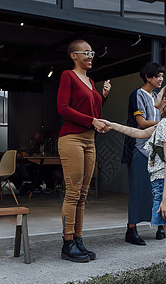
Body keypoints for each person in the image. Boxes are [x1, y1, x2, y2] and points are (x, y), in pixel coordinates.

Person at [105, 82, 166, 284]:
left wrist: (165, 199)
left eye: (161, 91)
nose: (157, 93)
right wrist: (111, 124)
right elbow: (139, 132)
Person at [57, 39, 111, 263]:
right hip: (72, 138)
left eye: (92, 52)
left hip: (90, 140)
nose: (90, 56)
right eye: (86, 52)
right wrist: (92, 121)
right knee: (73, 192)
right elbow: (63, 108)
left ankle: (78, 239)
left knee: (83, 194)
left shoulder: (90, 81)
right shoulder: (67, 76)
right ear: (74, 56)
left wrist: (104, 96)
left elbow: (95, 113)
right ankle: (67, 243)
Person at [122, 62, 166, 245]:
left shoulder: (156, 96)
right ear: (148, 77)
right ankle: (131, 230)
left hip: (155, 150)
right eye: (158, 76)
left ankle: (159, 225)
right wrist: (163, 124)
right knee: (138, 189)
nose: (161, 79)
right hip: (138, 148)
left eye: (162, 76)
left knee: (156, 189)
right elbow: (140, 122)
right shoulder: (137, 94)